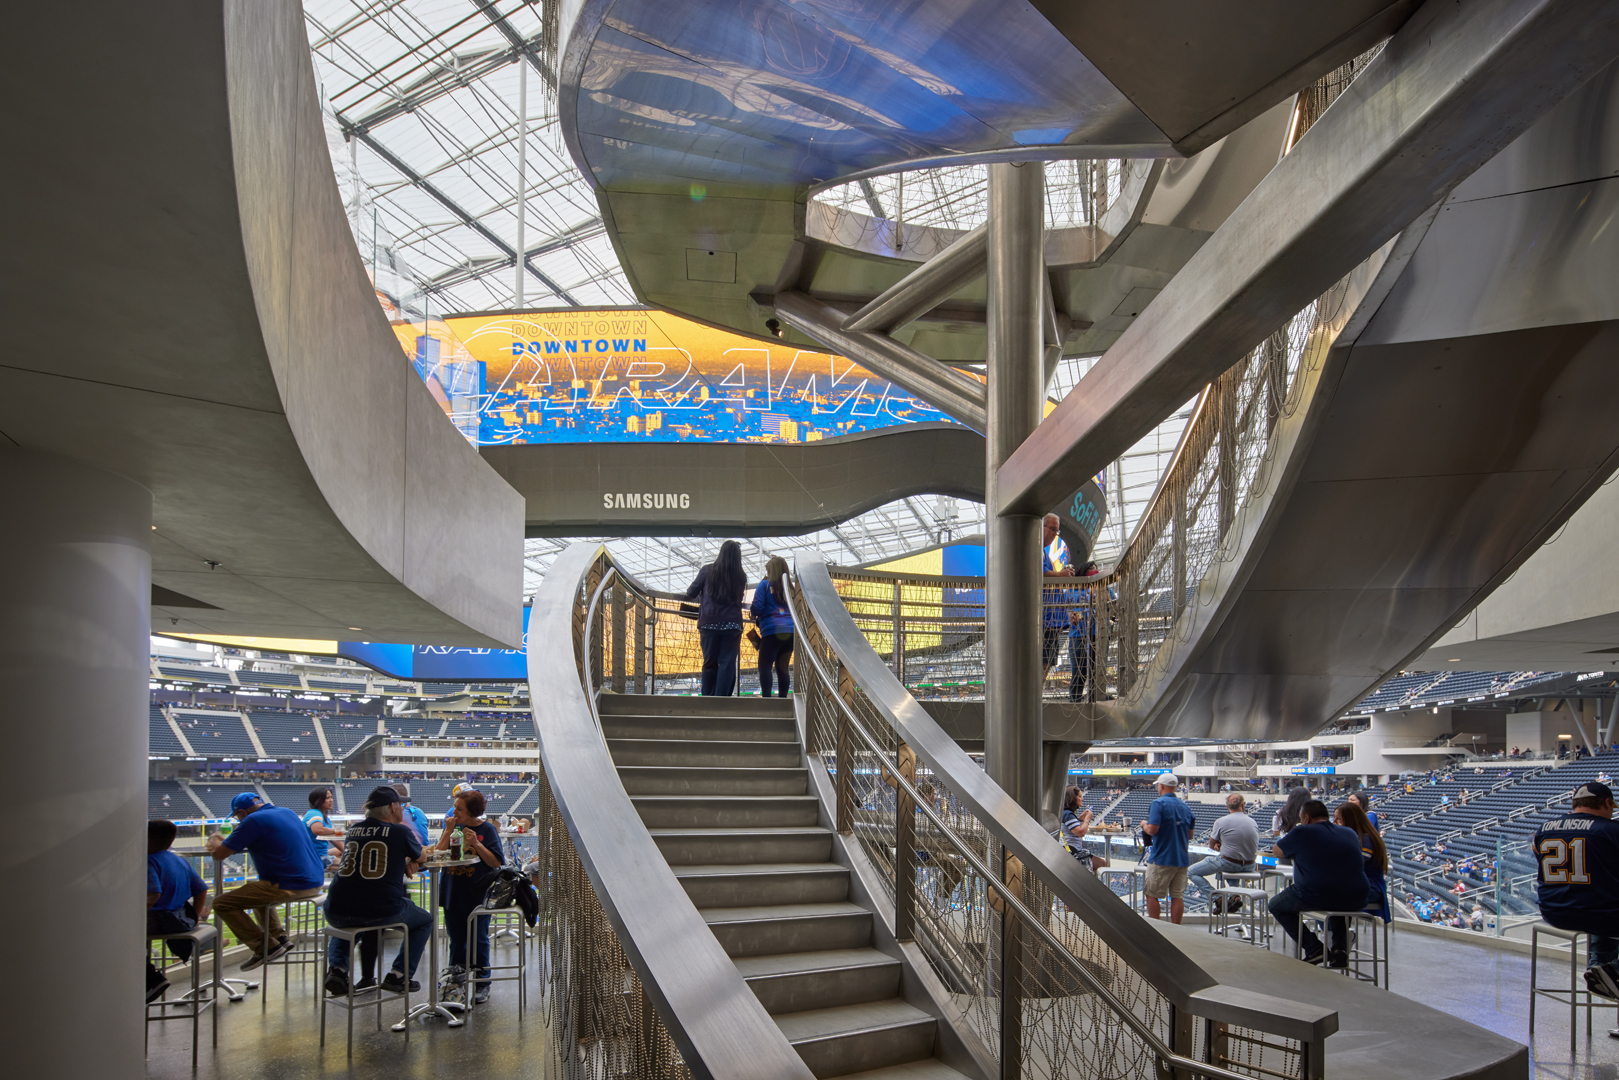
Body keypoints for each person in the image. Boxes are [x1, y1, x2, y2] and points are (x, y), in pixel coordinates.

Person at [323, 786, 433, 997]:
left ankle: (338, 969)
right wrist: (409, 859)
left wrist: (403, 859)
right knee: (424, 920)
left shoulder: (353, 830)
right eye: (400, 805)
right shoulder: (400, 831)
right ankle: (399, 974)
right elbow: (423, 856)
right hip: (380, 909)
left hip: (335, 908)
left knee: (347, 922)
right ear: (393, 807)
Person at [206, 793, 326, 968]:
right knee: (255, 891)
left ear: (242, 812)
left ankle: (265, 947)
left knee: (221, 903)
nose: (238, 820)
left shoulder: (252, 821)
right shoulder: (287, 812)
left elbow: (219, 854)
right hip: (314, 881)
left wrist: (213, 839)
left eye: (238, 816)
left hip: (290, 885)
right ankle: (279, 938)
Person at [1534, 781, 1619, 999]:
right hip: (1603, 914)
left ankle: (1599, 969)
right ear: (1607, 803)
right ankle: (1612, 971)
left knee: (1600, 907)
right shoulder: (1611, 830)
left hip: (1554, 912)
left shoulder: (1543, 830)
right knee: (1603, 910)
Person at [1268, 800, 1370, 967]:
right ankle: (1339, 949)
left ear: (1306, 818)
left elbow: (1278, 851)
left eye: (1301, 819)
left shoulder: (1302, 831)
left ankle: (1314, 949)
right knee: (1339, 902)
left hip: (1315, 893)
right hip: (1358, 895)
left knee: (1276, 905)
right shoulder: (1349, 832)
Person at [438, 789, 505, 1004]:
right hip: (452, 891)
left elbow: (496, 862)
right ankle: (455, 985)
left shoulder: (487, 829)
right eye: (455, 807)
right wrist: (447, 832)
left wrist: (476, 843)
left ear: (472, 811)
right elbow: (438, 854)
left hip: (477, 894)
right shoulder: (453, 827)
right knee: (457, 942)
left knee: (478, 940)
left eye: (459, 808)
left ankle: (482, 983)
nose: (454, 812)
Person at [147, 820, 210, 1002]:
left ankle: (151, 979)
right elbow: (201, 889)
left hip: (160, 921)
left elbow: (153, 894)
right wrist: (196, 916)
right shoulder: (179, 860)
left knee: (115, 936)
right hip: (181, 920)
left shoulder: (150, 861)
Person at [686, 539, 747, 696]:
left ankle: (708, 699)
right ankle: (721, 700)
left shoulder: (707, 571)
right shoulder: (741, 576)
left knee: (709, 663)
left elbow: (691, 592)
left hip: (709, 623)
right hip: (733, 624)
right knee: (727, 663)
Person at [1140, 773, 1195, 923]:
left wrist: (1144, 824)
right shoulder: (1185, 806)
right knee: (1177, 896)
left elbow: (1152, 830)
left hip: (1162, 857)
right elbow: (1190, 835)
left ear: (1161, 786)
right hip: (1181, 859)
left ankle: (1156, 929)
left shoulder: (1158, 804)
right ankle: (1175, 929)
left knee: (1152, 894)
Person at [1189, 793, 1259, 904]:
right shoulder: (1253, 822)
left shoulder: (1221, 821)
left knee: (1190, 872)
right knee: (1230, 863)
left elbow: (1211, 845)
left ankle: (1217, 898)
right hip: (1250, 865)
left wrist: (1219, 845)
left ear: (1227, 807)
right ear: (1243, 805)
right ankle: (1235, 896)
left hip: (1230, 863)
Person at [1334, 801, 1390, 923]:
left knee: (1329, 897)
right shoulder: (1353, 837)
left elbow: (1351, 865)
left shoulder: (1366, 839)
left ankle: (1340, 936)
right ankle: (1339, 936)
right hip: (1356, 885)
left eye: (1338, 819)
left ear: (1351, 820)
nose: (1334, 823)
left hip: (1370, 888)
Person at [749, 555, 795, 698]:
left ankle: (767, 700)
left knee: (765, 666)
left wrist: (753, 613)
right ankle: (783, 700)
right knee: (783, 668)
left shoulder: (765, 585)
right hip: (790, 633)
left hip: (771, 631)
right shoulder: (791, 588)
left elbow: (757, 607)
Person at [1040, 514, 1071, 680]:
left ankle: (1035, 700)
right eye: (1052, 529)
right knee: (1043, 663)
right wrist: (1061, 575)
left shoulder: (1045, 554)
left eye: (1056, 531)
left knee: (1047, 663)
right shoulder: (1035, 549)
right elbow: (1041, 574)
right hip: (1045, 619)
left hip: (1051, 620)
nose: (1054, 534)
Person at [1058, 786, 1108, 874]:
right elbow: (1080, 832)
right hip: (1072, 852)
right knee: (1102, 864)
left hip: (1071, 850)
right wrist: (1087, 819)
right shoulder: (1068, 814)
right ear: (1073, 799)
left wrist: (1080, 819)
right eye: (1080, 797)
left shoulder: (1067, 813)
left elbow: (1071, 828)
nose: (1082, 799)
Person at [303, 787, 345, 865]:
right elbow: (318, 830)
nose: (331, 800)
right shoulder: (314, 813)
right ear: (318, 800)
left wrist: (350, 852)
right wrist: (335, 830)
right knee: (347, 865)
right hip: (314, 855)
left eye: (331, 797)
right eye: (327, 798)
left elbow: (335, 840)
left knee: (345, 851)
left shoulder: (325, 818)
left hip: (320, 852)